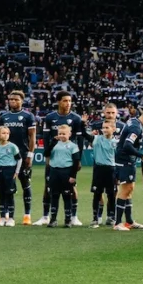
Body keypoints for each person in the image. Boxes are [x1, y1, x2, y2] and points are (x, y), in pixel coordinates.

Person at [41, 92, 87, 227]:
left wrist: (78, 159)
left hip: (69, 161)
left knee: (72, 188)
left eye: (70, 101)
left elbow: (80, 140)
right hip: (54, 158)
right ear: (59, 102)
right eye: (65, 101)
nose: (68, 104)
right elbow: (46, 138)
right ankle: (46, 216)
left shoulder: (76, 118)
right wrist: (47, 156)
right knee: (48, 187)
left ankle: (73, 217)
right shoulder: (50, 117)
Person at [113, 106, 143, 231]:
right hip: (125, 160)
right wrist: (142, 156)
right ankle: (118, 223)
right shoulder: (136, 128)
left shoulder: (134, 121)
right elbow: (127, 145)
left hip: (127, 160)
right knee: (126, 189)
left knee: (130, 189)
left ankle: (129, 221)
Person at [0, 91, 38, 225]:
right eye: (11, 99)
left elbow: (32, 137)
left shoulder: (28, 116)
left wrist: (30, 155)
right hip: (6, 157)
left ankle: (27, 215)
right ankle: (5, 215)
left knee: (25, 184)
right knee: (5, 186)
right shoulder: (4, 116)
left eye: (16, 99)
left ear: (22, 101)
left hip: (23, 155)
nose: (13, 101)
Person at [42, 125, 80, 227]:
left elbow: (76, 162)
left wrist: (73, 176)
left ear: (69, 134)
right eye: (60, 133)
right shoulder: (54, 144)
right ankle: (53, 219)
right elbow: (46, 154)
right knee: (54, 196)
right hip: (54, 171)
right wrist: (52, 143)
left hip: (66, 172)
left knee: (67, 196)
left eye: (64, 134)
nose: (61, 135)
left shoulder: (73, 146)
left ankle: (68, 220)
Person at [0, 126, 23, 226]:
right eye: (3, 133)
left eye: (7, 133)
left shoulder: (12, 146)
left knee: (9, 194)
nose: (6, 135)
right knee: (1, 194)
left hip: (10, 170)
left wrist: (17, 172)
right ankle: (3, 217)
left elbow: (19, 159)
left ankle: (11, 218)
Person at [90, 119, 119, 228]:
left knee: (111, 195)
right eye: (103, 127)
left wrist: (118, 175)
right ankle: (95, 218)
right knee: (97, 194)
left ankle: (111, 217)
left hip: (111, 169)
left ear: (113, 129)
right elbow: (85, 135)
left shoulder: (116, 142)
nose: (104, 129)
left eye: (107, 127)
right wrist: (83, 124)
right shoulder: (97, 139)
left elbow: (118, 158)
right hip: (99, 169)